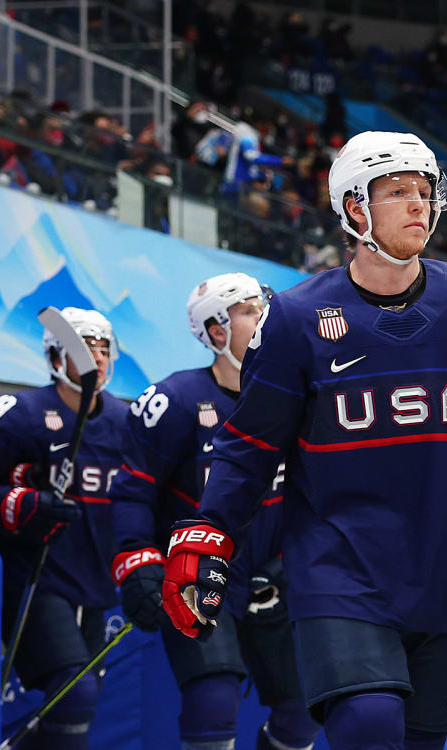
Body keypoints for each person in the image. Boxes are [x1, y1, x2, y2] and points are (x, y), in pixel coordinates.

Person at [161, 131, 447, 749]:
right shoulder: (292, 317)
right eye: (398, 192)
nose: (419, 205)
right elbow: (250, 446)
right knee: (368, 726)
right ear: (354, 208)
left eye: (425, 191)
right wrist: (208, 533)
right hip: (341, 570)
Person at [110, 273, 320, 750]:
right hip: (200, 573)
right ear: (217, 331)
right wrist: (137, 563)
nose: (263, 315)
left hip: (275, 578)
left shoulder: (296, 396)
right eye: (248, 310)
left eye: (263, 304)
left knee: (306, 708)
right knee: (213, 699)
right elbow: (133, 493)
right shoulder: (175, 401)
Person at [0, 307, 130, 749]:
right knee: (74, 688)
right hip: (36, 576)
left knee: (80, 695)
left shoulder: (127, 422)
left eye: (103, 350)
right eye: (85, 349)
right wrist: (25, 505)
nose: (96, 360)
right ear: (55, 358)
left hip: (95, 580)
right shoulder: (19, 413)